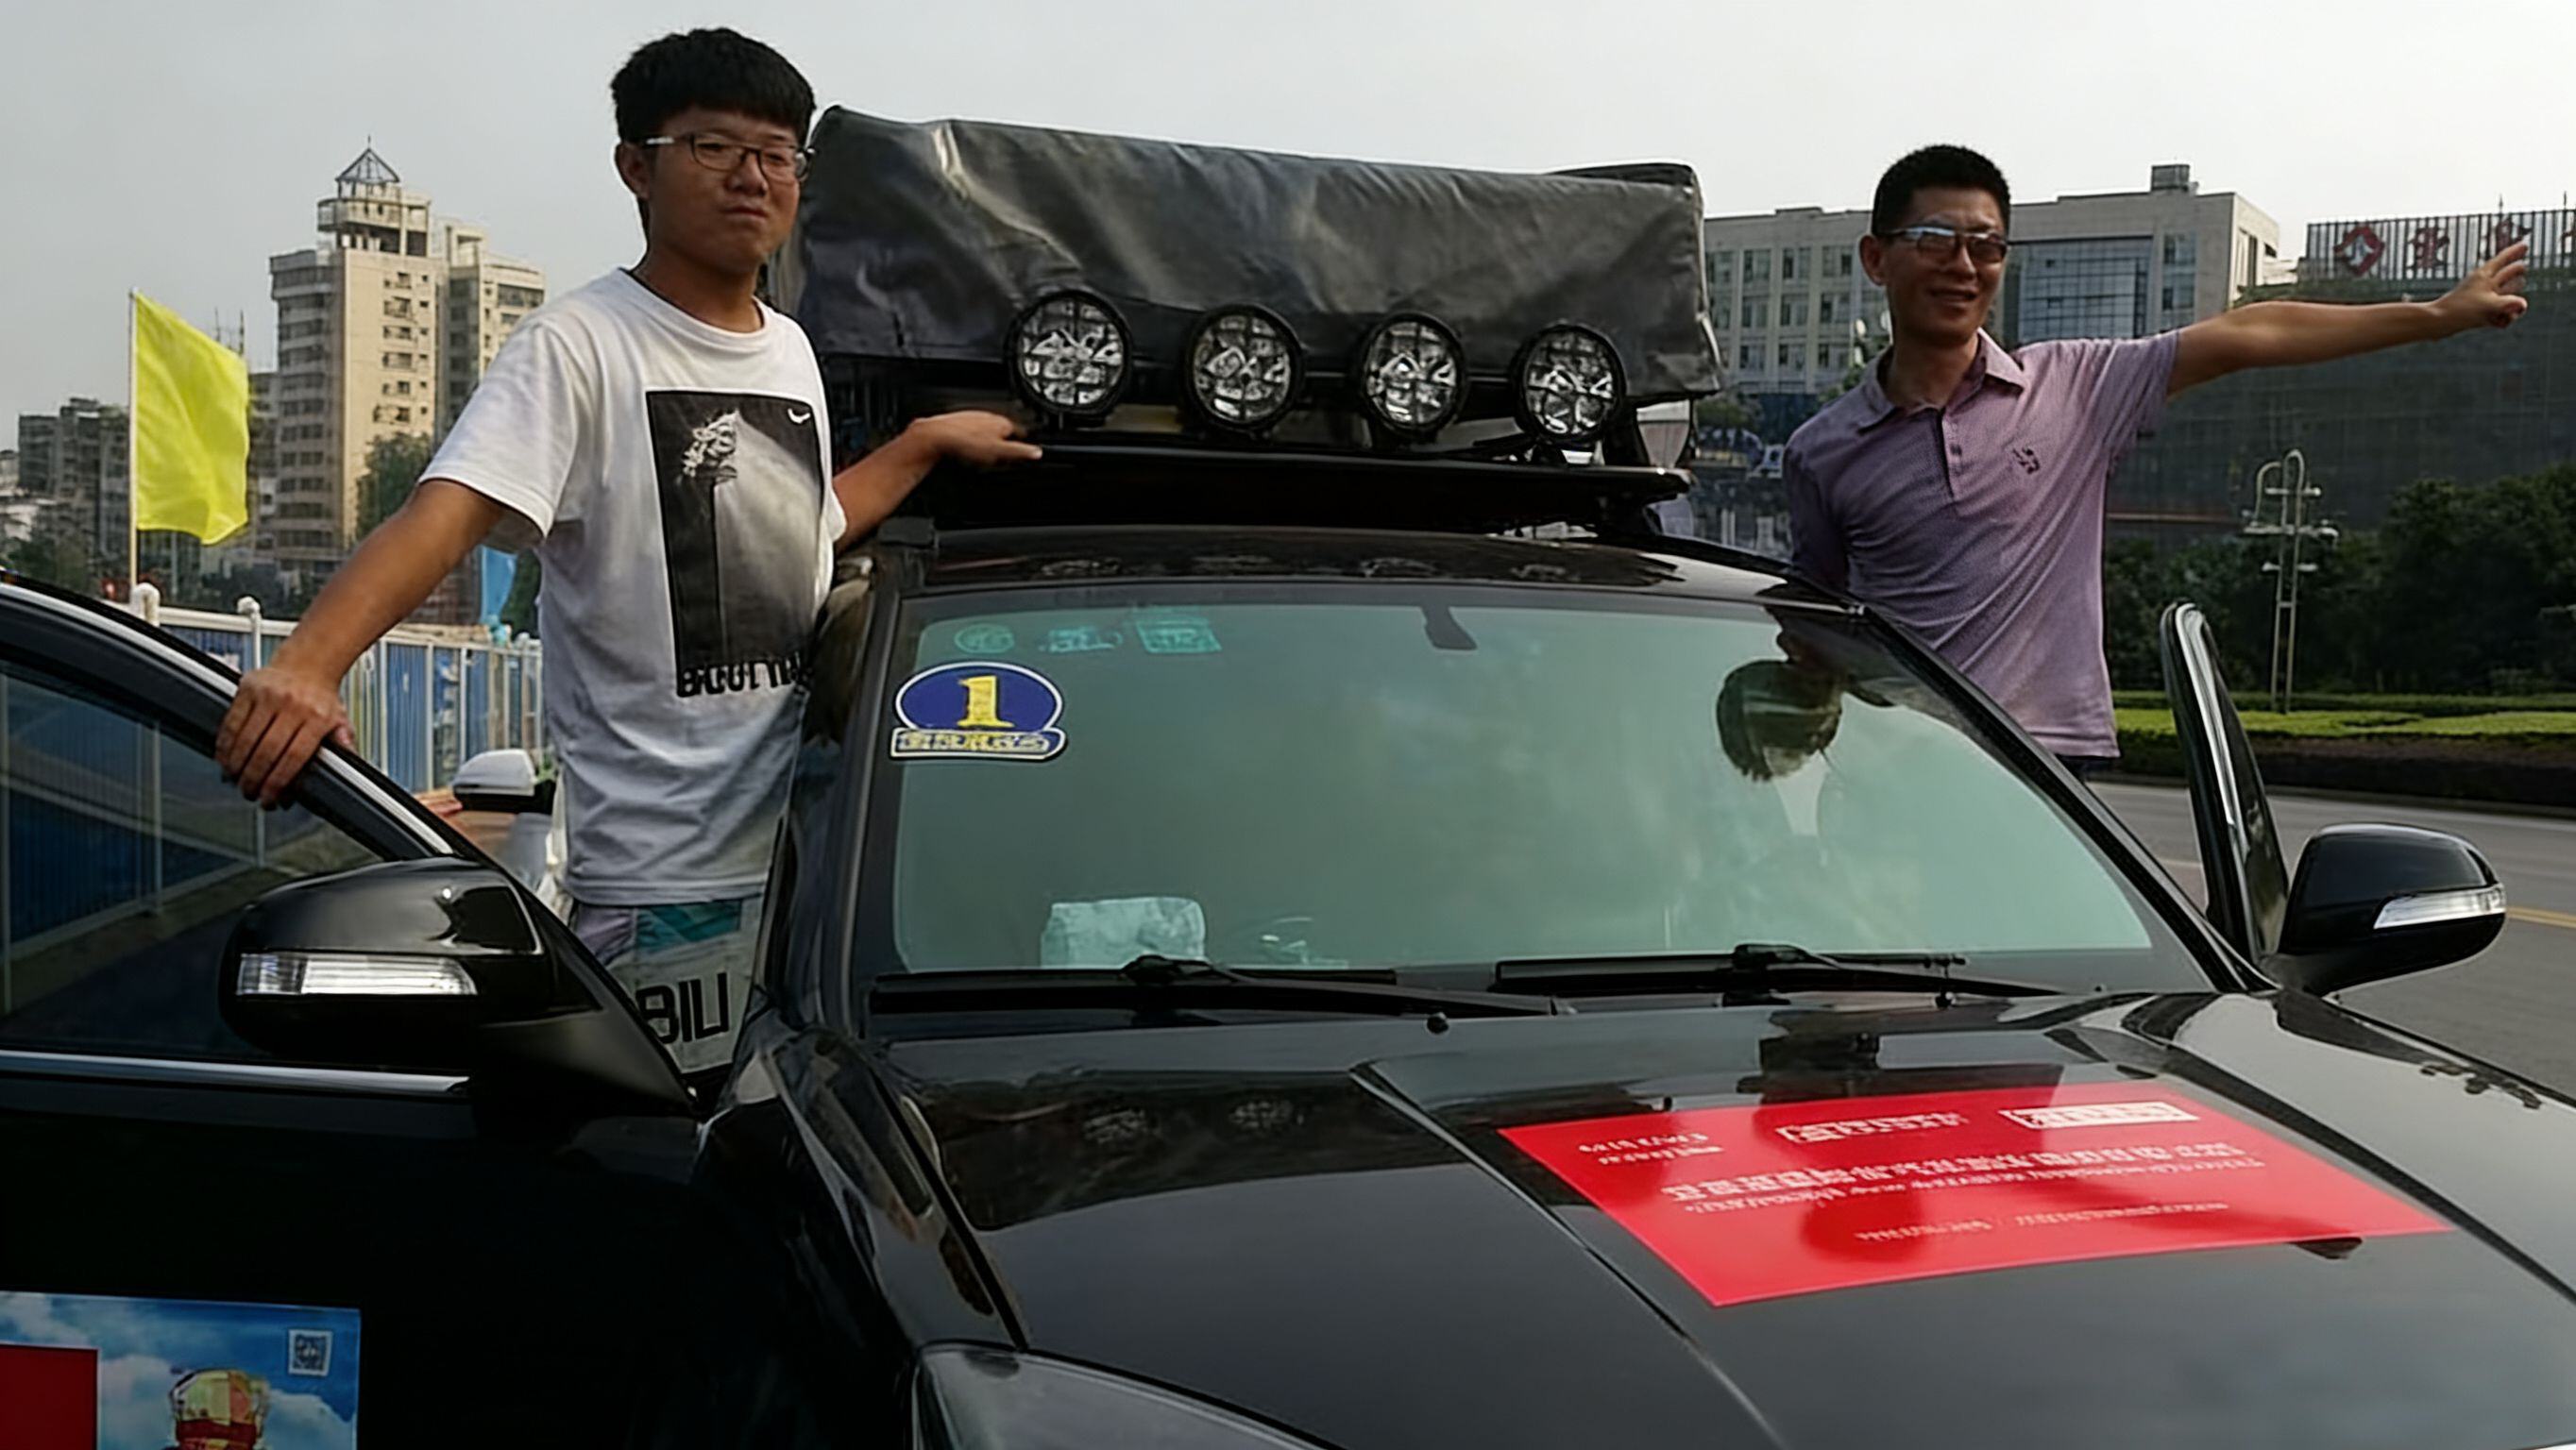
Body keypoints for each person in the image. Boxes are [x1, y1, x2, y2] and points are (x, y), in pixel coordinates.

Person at [215, 28, 1038, 1075]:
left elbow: (796, 534)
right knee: (678, 1142)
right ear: (636, 168)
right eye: (714, 147)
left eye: (777, 154)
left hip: (810, 867)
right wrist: (308, 664)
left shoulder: (788, 349)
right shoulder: (579, 347)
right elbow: (446, 514)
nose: (752, 177)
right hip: (663, 889)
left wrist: (919, 446)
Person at [1786, 144, 2527, 780]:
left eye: (1986, 245)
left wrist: (2435, 318)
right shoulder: (1822, 451)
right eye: (1935, 239)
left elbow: (2251, 333)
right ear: (1877, 258)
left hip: (2044, 768)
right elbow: (1813, 624)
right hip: (1890, 770)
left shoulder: (2074, 387)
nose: (1963, 265)